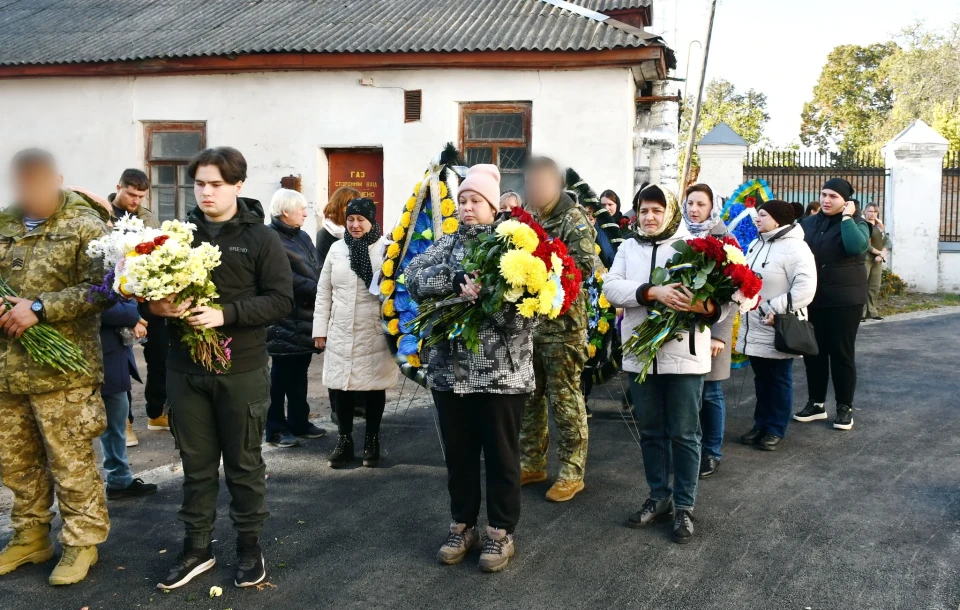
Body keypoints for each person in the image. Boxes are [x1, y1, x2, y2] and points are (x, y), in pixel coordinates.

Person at [150, 147, 293, 591]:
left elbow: (281, 299)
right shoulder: (177, 236)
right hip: (185, 369)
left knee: (244, 463)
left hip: (242, 368)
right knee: (195, 464)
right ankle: (197, 547)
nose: (206, 192)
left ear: (237, 186)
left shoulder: (260, 238)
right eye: (200, 184)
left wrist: (224, 315)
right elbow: (148, 289)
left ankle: (249, 546)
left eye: (216, 184)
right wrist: (156, 304)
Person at [406, 164, 534, 573]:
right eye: (461, 200)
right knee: (460, 457)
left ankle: (500, 531)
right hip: (452, 374)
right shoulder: (448, 244)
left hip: (501, 374)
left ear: (493, 206)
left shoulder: (515, 247)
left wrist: (489, 299)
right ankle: (462, 525)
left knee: (501, 457)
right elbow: (411, 276)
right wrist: (453, 278)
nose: (466, 207)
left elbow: (532, 310)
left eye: (475, 200)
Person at [0, 149, 111, 585]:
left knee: (71, 460)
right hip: (7, 370)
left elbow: (103, 289)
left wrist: (41, 309)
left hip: (64, 373)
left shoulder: (85, 225)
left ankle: (82, 541)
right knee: (14, 461)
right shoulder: (4, 222)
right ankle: (31, 534)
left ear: (57, 179)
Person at [604, 184, 732, 544]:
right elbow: (611, 288)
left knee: (685, 433)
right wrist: (651, 292)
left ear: (669, 212)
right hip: (641, 355)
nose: (648, 217)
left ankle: (685, 506)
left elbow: (724, 300)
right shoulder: (627, 247)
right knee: (651, 431)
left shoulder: (690, 247)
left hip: (684, 356)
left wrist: (705, 307)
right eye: (643, 210)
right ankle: (659, 496)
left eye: (656, 210)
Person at [519, 157, 596, 503]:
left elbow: (583, 268)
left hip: (563, 329)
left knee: (564, 398)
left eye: (540, 183)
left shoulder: (572, 219)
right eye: (530, 183)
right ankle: (532, 462)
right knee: (529, 400)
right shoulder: (528, 217)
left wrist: (542, 269)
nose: (534, 189)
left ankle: (571, 471)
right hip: (530, 326)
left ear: (556, 184)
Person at [313, 197, 396, 469]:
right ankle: (344, 441)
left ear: (372, 220)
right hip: (340, 330)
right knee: (342, 388)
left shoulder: (387, 250)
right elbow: (324, 292)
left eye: (361, 219)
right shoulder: (337, 249)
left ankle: (372, 441)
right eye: (350, 219)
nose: (355, 225)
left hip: (372, 331)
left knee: (374, 388)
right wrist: (320, 330)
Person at [736, 201, 817, 450]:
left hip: (777, 324)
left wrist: (775, 308)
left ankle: (775, 428)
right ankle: (760, 423)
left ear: (777, 219)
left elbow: (805, 287)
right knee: (761, 379)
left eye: (762, 215)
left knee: (779, 379)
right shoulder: (756, 243)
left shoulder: (796, 248)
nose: (757, 219)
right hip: (754, 323)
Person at [794, 178, 870, 431]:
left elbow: (856, 247)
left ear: (846, 201)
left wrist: (848, 218)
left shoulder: (858, 224)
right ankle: (816, 403)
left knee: (841, 353)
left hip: (844, 301)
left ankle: (844, 406)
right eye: (824, 194)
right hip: (812, 299)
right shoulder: (808, 223)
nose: (826, 200)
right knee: (813, 352)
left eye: (834, 196)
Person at [265, 189, 327, 448]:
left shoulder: (301, 236)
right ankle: (276, 428)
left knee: (299, 373)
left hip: (305, 317)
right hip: (283, 319)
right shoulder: (270, 237)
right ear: (285, 211)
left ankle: (299, 421)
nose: (305, 212)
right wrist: (318, 288)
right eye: (301, 208)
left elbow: (316, 267)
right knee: (280, 377)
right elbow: (281, 277)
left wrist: (325, 283)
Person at [681, 183, 735, 479]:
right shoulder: (679, 235)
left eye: (701, 204)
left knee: (711, 392)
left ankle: (712, 452)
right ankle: (689, 448)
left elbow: (734, 291)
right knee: (687, 394)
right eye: (690, 203)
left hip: (711, 328)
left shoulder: (723, 238)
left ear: (712, 206)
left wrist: (720, 334)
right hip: (681, 328)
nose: (694, 209)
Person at [112, 170, 171, 436]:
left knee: (160, 355)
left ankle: (157, 412)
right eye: (131, 194)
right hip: (113, 298)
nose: (135, 200)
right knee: (120, 361)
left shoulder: (149, 218)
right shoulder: (102, 216)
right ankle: (124, 420)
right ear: (119, 188)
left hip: (147, 298)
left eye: (140, 196)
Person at [99, 297, 158, 499]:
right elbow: (111, 308)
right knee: (113, 425)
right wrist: (132, 315)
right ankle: (118, 481)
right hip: (102, 359)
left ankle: (119, 480)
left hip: (110, 356)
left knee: (115, 424)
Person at [316, 185, 360, 424]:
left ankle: (358, 403)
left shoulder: (358, 233)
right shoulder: (328, 236)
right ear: (342, 207)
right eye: (351, 206)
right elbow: (323, 277)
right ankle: (338, 409)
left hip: (357, 306)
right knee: (337, 362)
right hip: (337, 307)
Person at [863, 203, 888, 321]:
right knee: (863, 285)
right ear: (865, 212)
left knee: (874, 286)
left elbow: (887, 241)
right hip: (866, 259)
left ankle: (872, 312)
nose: (872, 214)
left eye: (875, 212)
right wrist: (878, 253)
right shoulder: (863, 225)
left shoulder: (879, 226)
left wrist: (882, 254)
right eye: (870, 211)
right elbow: (865, 244)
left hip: (878, 260)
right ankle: (861, 314)